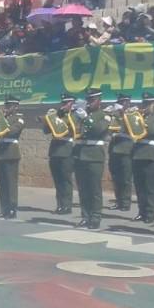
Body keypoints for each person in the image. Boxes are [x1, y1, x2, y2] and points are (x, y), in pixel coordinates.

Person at [72, 90, 110, 230]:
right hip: (80, 153)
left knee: (94, 189)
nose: (89, 103)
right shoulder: (81, 114)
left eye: (92, 100)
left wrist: (86, 118)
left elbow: (98, 130)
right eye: (88, 100)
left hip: (94, 155)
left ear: (99, 101)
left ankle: (95, 217)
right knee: (83, 189)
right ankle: (85, 216)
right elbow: (71, 129)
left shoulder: (104, 116)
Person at [131, 92, 154, 224]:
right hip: (138, 152)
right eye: (143, 103)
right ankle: (141, 211)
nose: (144, 106)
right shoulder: (140, 116)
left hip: (150, 153)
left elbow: (151, 131)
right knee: (139, 186)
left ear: (153, 104)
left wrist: (138, 120)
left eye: (147, 104)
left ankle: (150, 212)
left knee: (149, 186)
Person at [0, 96, 24, 219]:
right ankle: (4, 209)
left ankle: (12, 209)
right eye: (6, 106)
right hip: (0, 152)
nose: (7, 108)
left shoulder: (19, 119)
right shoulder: (2, 118)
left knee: (11, 183)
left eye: (9, 106)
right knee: (2, 183)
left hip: (11, 152)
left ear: (16, 107)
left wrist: (0, 119)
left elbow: (10, 132)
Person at [43, 93, 76, 214]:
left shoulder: (75, 115)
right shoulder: (56, 115)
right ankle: (60, 205)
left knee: (66, 180)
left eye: (67, 103)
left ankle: (67, 206)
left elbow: (73, 129)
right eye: (63, 103)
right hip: (55, 150)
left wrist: (60, 117)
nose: (64, 105)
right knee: (57, 180)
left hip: (67, 149)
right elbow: (46, 131)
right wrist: (48, 119)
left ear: (72, 103)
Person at [107, 94, 135, 212]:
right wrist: (109, 114)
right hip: (114, 148)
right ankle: (118, 201)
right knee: (116, 177)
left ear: (128, 102)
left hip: (125, 149)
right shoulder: (115, 113)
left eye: (124, 102)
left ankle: (125, 203)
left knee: (125, 178)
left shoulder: (132, 113)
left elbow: (129, 127)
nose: (123, 104)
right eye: (121, 102)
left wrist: (121, 112)